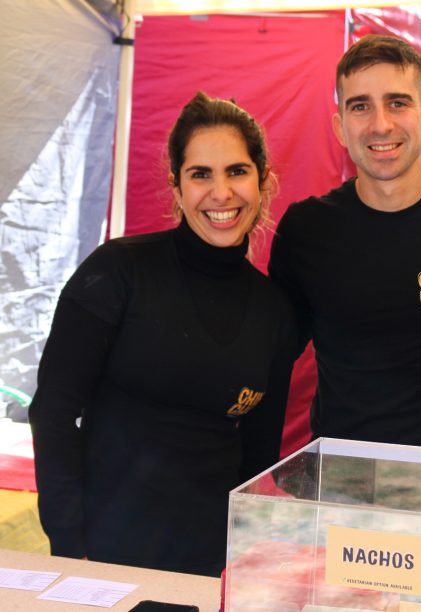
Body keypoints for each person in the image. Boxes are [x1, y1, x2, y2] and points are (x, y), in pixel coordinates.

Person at [29, 92, 298, 576]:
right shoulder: (116, 273)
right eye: (201, 174)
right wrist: (71, 550)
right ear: (176, 188)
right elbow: (52, 413)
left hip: (212, 566)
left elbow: (258, 459)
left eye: (236, 171)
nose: (221, 193)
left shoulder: (274, 311)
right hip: (106, 559)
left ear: (263, 180)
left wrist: (243, 556)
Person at [269, 35, 421, 451]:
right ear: (340, 127)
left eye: (398, 103)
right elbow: (267, 349)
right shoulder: (306, 230)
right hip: (342, 484)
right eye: (360, 106)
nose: (380, 124)